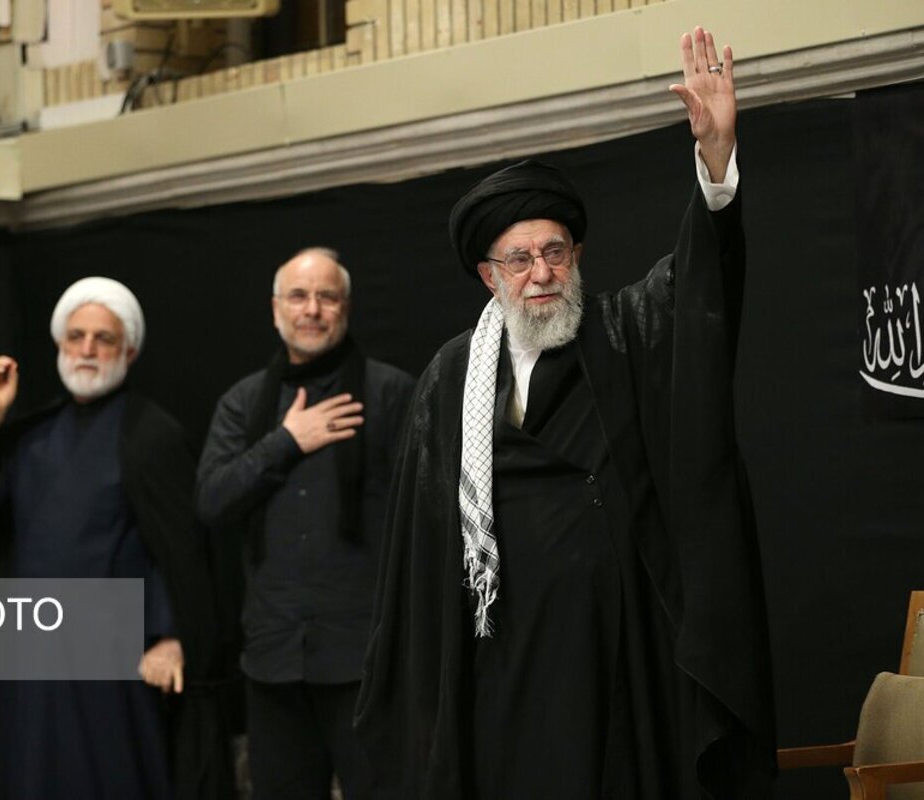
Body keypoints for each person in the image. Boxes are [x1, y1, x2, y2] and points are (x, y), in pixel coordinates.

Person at [354, 27, 776, 799]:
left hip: (613, 642)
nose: (541, 272)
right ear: (490, 276)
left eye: (555, 252)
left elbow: (699, 285)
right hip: (502, 652)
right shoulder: (452, 376)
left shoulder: (622, 334)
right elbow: (421, 539)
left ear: (575, 256)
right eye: (519, 259)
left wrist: (716, 164)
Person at [0, 276, 231, 800]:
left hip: (113, 654)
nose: (87, 349)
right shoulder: (31, 435)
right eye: (76, 336)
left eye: (103, 339)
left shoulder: (151, 435)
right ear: (60, 346)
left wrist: (169, 635)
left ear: (128, 351)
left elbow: (179, 549)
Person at [197, 248, 415, 800]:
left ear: (346, 308)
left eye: (327, 297)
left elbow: (429, 517)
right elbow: (212, 502)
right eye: (298, 296)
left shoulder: (391, 393)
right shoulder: (243, 403)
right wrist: (285, 442)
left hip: (368, 663)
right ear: (276, 309)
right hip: (273, 661)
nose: (312, 309)